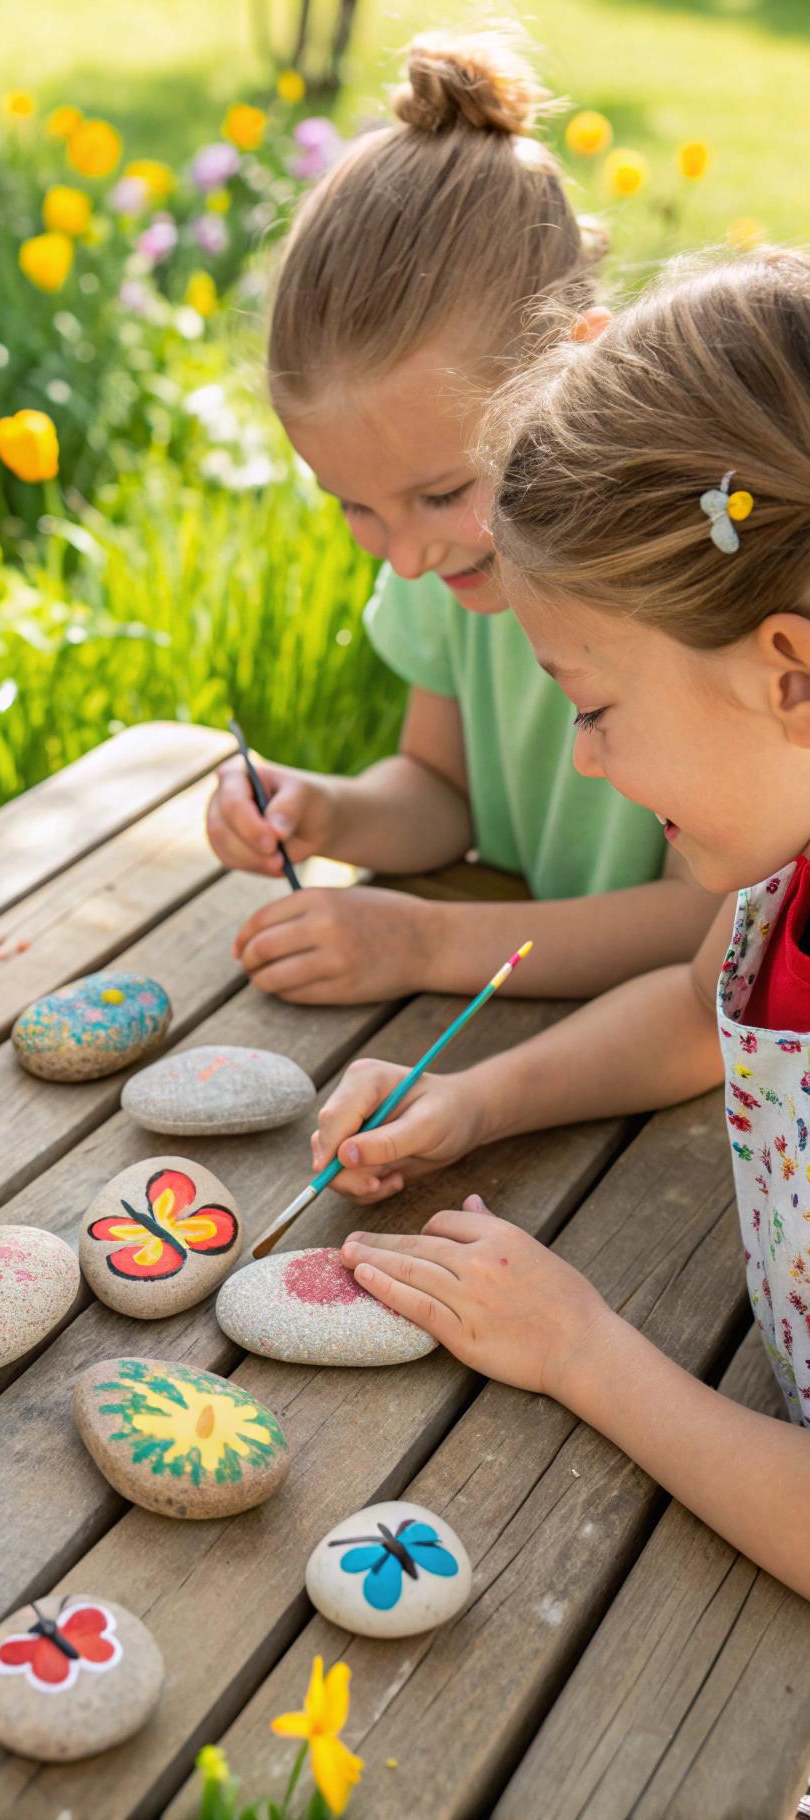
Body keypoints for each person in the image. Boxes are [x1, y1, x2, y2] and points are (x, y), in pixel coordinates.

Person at [314, 248, 810, 1597]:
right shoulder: (782, 869)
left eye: (592, 707)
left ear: (789, 672)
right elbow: (698, 1016)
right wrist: (473, 1106)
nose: (583, 762)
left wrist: (579, 1349)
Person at [206, 27, 718, 1007]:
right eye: (354, 506)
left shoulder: (678, 576)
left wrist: (424, 944)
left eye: (442, 493)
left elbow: (703, 923)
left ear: (578, 364)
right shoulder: (453, 566)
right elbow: (441, 794)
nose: (402, 555)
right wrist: (327, 811)